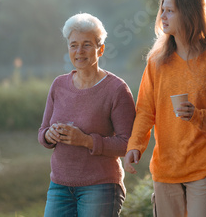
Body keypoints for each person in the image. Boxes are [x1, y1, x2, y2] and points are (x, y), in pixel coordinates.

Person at [124, 0, 206, 217]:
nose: (162, 16)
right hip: (166, 169)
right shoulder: (156, 61)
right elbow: (145, 110)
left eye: (170, 11)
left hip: (205, 168)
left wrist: (197, 115)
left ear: (189, 14)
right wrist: (135, 145)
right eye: (162, 10)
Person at [38, 13, 136, 217]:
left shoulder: (117, 89)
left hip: (100, 186)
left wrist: (86, 141)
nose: (79, 51)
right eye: (73, 45)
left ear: (101, 49)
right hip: (59, 185)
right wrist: (50, 135)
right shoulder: (58, 85)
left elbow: (127, 144)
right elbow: (42, 132)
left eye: (87, 45)